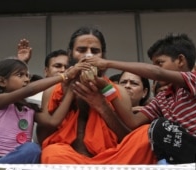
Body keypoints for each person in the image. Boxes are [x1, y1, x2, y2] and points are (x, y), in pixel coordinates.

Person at [85, 33, 196, 164]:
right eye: (153, 65)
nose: (155, 69)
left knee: (159, 127)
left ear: (180, 61)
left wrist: (108, 63)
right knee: (155, 129)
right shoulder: (162, 98)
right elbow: (133, 122)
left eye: (160, 63)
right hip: (191, 159)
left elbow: (157, 73)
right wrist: (107, 89)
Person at [39, 26, 157, 164]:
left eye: (95, 51)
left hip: (111, 159)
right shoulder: (53, 90)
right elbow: (42, 138)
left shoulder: (118, 91)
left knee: (144, 134)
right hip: (68, 159)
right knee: (52, 153)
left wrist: (102, 106)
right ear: (70, 54)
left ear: (103, 56)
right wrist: (67, 94)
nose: (88, 56)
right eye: (81, 50)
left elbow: (126, 137)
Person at [0, 57, 89, 163]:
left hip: (20, 159)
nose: (26, 79)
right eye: (20, 75)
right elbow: (29, 90)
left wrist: (71, 90)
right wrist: (65, 76)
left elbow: (53, 121)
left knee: (32, 149)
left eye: (27, 75)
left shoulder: (29, 109)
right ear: (2, 82)